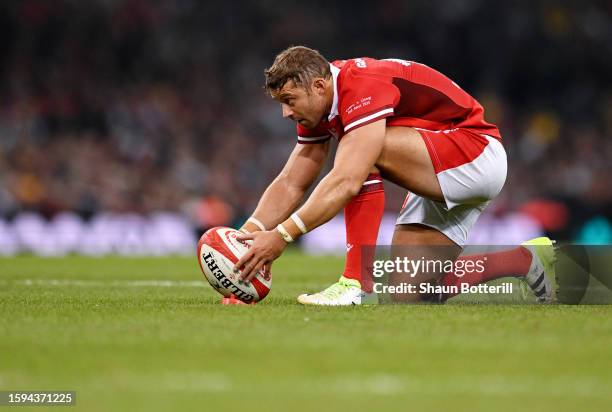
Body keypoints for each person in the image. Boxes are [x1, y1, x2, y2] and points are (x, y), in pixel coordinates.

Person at [234, 46, 556, 305]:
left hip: (475, 151)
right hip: (439, 166)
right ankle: (524, 260)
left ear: (319, 86)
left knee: (361, 156)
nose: (286, 113)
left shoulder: (360, 83)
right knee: (408, 294)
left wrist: (282, 236)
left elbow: (347, 180)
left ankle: (355, 282)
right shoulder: (319, 106)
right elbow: (292, 181)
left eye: (289, 101)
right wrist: (243, 239)